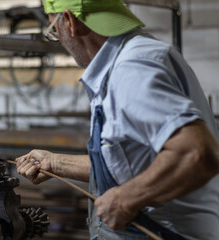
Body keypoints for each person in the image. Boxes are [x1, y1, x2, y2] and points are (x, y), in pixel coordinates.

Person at [15, 0, 219, 239]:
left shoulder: (132, 70)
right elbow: (135, 164)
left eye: (53, 31)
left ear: (70, 22)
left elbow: (196, 154)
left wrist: (127, 198)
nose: (58, 40)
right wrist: (55, 164)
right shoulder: (131, 58)